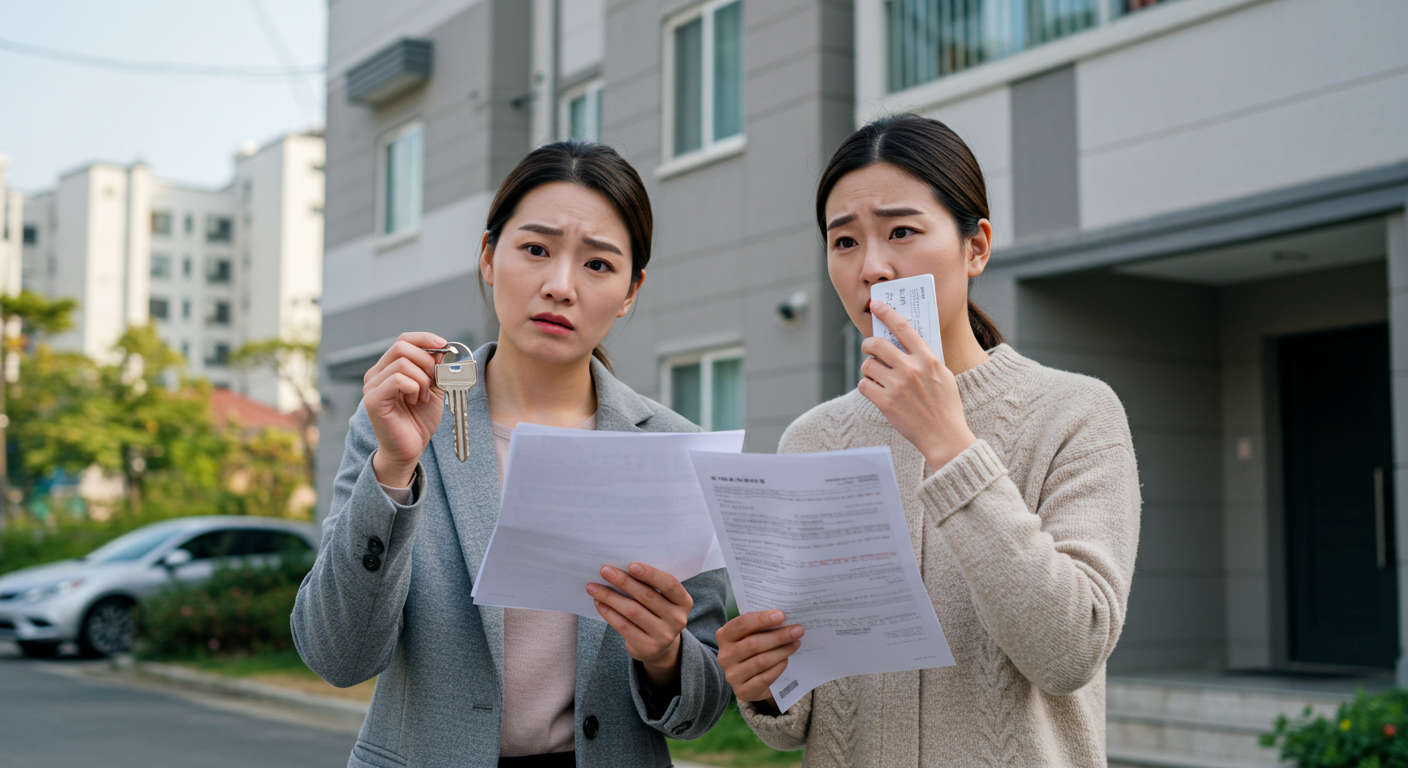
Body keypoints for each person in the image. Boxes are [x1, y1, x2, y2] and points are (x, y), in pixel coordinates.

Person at [715, 114, 1142, 767]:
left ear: (976, 247)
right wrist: (766, 682)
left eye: (903, 232)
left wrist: (949, 442)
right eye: (845, 242)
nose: (873, 268)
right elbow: (794, 721)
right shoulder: (814, 437)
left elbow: (1071, 651)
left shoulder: (1076, 412)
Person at [292, 141, 731, 768]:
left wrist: (664, 656)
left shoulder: (671, 448)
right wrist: (391, 471)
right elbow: (336, 657)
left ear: (631, 291)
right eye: (535, 249)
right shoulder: (405, 418)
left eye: (598, 266)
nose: (560, 286)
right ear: (489, 256)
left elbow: (701, 711)